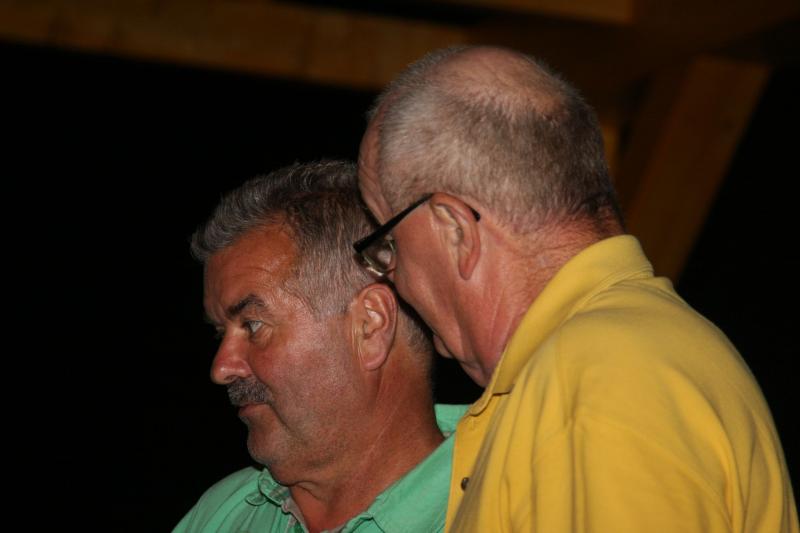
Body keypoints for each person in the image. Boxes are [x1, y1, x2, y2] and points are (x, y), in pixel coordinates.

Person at [355, 45, 799, 532]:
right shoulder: (627, 353)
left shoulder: (599, 376)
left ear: (456, 230)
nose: (390, 275)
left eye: (389, 244)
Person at [175, 160, 467, 533]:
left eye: (253, 325)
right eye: (221, 333)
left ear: (370, 326)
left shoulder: (501, 505)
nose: (221, 368)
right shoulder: (224, 513)